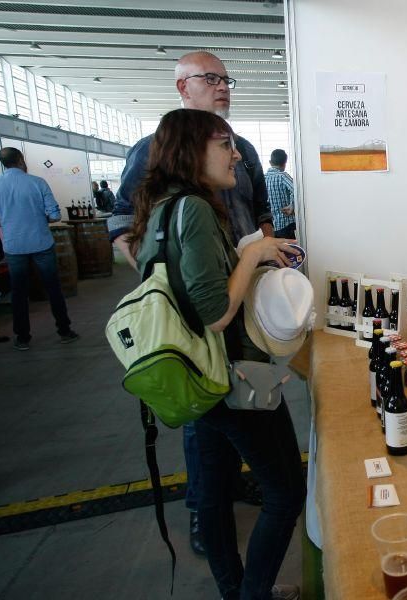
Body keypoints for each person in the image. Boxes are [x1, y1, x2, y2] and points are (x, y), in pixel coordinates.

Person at [129, 108, 304, 600]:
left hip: (194, 380)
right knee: (286, 493)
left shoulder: (161, 210)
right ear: (191, 149)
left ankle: (234, 591)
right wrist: (253, 253)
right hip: (230, 379)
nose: (236, 156)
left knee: (213, 493)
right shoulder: (196, 208)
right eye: (224, 144)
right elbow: (214, 312)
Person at [108, 50, 273, 556]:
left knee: (242, 397)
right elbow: (124, 227)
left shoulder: (242, 147)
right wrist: (168, 278)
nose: (223, 86)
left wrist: (266, 264)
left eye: (227, 78)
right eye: (210, 78)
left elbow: (261, 216)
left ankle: (228, 483)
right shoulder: (156, 148)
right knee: (206, 408)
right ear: (182, 87)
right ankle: (206, 508)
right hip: (205, 308)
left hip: (244, 299)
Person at [0, 147, 79, 352]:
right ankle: (64, 331)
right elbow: (55, 216)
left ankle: (22, 337)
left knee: (18, 292)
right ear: (20, 160)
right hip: (41, 243)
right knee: (53, 287)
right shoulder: (37, 182)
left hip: (14, 246)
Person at [265, 149, 296, 240]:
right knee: (291, 251)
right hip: (285, 223)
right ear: (284, 163)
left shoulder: (263, 178)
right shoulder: (283, 176)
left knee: (277, 252)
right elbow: (296, 191)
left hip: (270, 226)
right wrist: (292, 205)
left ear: (270, 162)